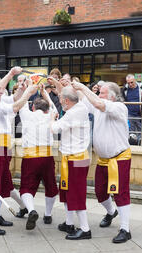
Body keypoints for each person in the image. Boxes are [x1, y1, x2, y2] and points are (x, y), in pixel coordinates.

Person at [0, 66, 36, 235]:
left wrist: (22, 89)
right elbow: (15, 107)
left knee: (1, 182)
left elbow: (14, 99)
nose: (2, 90)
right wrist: (28, 93)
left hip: (2, 144)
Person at [72, 81, 133, 243]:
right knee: (100, 192)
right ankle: (111, 211)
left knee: (121, 193)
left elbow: (97, 102)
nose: (99, 95)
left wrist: (83, 87)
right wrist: (68, 85)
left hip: (119, 158)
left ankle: (125, 229)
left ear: (112, 96)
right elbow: (82, 98)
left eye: (102, 92)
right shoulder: (98, 105)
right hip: (103, 159)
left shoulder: (119, 107)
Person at [48, 83, 91, 240]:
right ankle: (69, 223)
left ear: (66, 101)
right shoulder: (80, 107)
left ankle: (85, 229)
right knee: (67, 192)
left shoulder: (74, 113)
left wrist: (52, 119)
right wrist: (60, 86)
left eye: (61, 98)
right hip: (72, 158)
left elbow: (54, 129)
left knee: (76, 193)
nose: (59, 101)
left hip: (76, 159)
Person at [18, 84, 59, 229]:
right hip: (47, 156)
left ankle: (31, 210)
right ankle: (47, 214)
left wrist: (28, 89)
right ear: (46, 109)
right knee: (51, 186)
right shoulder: (50, 115)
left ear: (33, 108)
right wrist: (44, 93)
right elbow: (54, 107)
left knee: (26, 187)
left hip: (30, 157)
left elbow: (21, 103)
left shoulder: (27, 115)